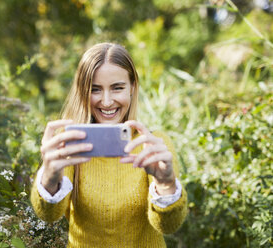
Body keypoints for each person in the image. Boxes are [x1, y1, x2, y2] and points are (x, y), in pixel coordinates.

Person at [30, 43, 187, 247]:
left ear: (132, 87)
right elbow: (49, 215)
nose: (106, 101)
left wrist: (166, 184)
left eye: (117, 88)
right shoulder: (70, 144)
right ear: (82, 91)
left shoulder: (153, 144)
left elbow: (168, 226)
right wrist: (49, 177)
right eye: (95, 89)